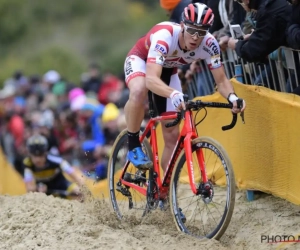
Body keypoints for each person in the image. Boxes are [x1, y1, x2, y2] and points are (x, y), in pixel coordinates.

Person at [124, 3, 246, 171]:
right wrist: (173, 93)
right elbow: (151, 80)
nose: (196, 37)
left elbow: (222, 81)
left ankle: (164, 192)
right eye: (191, 30)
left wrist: (233, 97)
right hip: (141, 61)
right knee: (138, 91)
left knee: (173, 138)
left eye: (202, 32)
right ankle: (132, 145)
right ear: (182, 26)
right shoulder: (165, 36)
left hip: (168, 70)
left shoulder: (210, 44)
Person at [227, 0, 291, 63]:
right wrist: (254, 36)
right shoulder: (268, 6)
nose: (241, 4)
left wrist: (236, 45)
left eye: (240, 1)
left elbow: (254, 51)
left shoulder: (268, 10)